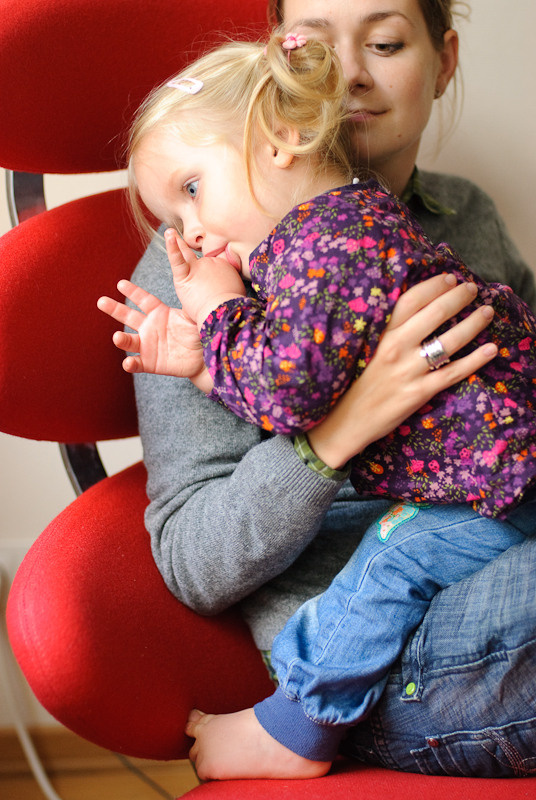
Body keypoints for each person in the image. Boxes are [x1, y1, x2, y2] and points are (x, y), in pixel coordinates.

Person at [103, 0, 536, 782]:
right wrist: (340, 430)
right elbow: (195, 564)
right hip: (378, 657)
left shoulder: (461, 214)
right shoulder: (199, 277)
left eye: (383, 41)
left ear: (442, 61)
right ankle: (292, 728)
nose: (342, 75)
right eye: (308, 46)